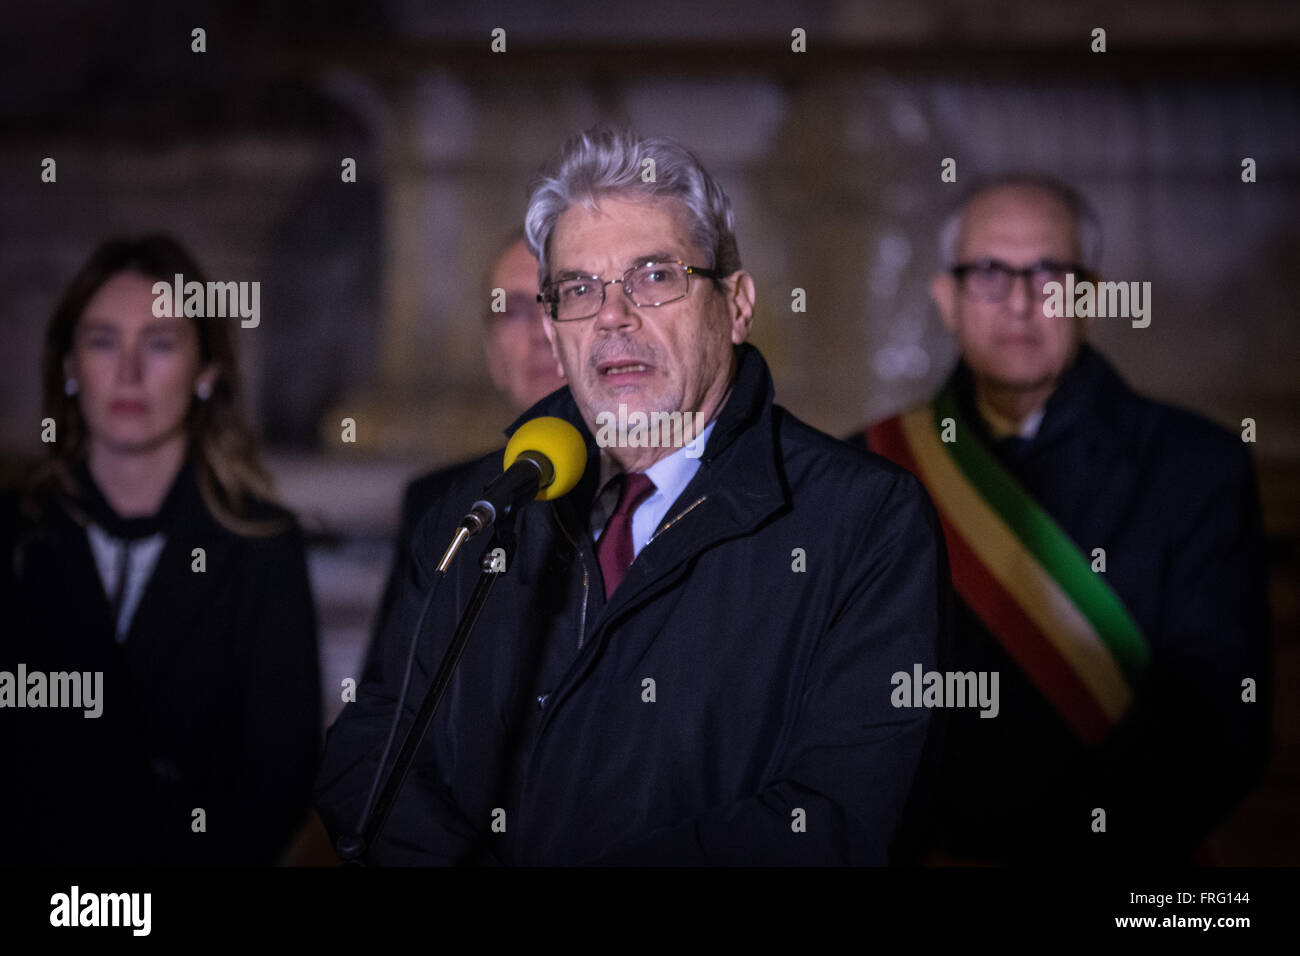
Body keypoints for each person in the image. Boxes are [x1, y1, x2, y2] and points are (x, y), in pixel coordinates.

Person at [314, 126, 948, 865]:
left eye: (654, 276)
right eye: (579, 289)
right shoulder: (481, 507)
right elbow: (371, 748)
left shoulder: (862, 520)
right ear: (554, 333)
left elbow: (835, 817)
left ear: (736, 305)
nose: (613, 317)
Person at [851, 176, 1273, 863]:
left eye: (1050, 272)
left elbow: (1220, 720)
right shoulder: (866, 470)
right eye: (988, 271)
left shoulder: (1198, 467)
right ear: (946, 300)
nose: (1020, 302)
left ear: (1092, 297)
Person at [0, 236, 322, 865]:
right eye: (101, 341)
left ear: (206, 372)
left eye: (159, 343)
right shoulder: (12, 534)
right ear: (69, 367)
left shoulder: (262, 547)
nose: (128, 374)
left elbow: (277, 782)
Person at [372, 229, 564, 643]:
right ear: (493, 353)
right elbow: (391, 692)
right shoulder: (440, 506)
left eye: (557, 302)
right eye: (512, 311)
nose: (539, 333)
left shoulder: (641, 494)